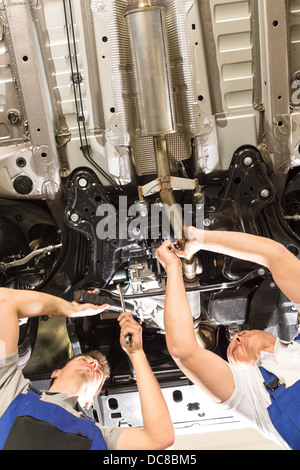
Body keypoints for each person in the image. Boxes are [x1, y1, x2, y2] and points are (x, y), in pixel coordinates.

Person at [155, 226, 300, 450]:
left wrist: (174, 269)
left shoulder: (251, 400)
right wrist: (199, 240)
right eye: (234, 351)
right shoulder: (253, 391)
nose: (237, 339)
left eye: (231, 349)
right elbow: (276, 255)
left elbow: (184, 351)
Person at [0, 288, 174, 450]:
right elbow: (4, 300)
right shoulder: (12, 391)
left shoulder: (104, 437)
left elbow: (159, 438)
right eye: (84, 359)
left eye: (98, 371)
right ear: (56, 372)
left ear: (91, 402)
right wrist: (69, 309)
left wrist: (136, 353)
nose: (93, 365)